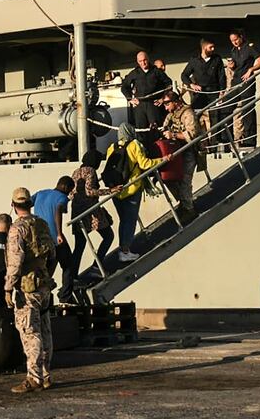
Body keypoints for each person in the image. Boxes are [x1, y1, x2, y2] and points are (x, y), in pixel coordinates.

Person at [4, 187, 56, 393]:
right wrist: (46, 274)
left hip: (26, 288)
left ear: (14, 205)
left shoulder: (17, 229)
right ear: (30, 204)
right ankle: (46, 375)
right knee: (45, 329)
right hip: (43, 284)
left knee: (30, 331)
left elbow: (15, 262)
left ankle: (33, 378)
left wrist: (8, 287)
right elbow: (53, 254)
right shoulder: (42, 224)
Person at [106, 123, 168, 262]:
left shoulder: (112, 147)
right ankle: (125, 250)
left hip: (116, 190)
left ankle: (123, 248)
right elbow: (144, 164)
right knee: (130, 220)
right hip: (132, 188)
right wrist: (162, 160)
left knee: (123, 221)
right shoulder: (135, 144)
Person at [70, 150, 117, 298]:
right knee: (108, 236)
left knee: (79, 246)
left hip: (77, 212)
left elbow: (72, 194)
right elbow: (90, 191)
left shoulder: (75, 172)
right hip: (90, 211)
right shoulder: (90, 171)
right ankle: (97, 266)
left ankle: (72, 277)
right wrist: (109, 191)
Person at [161, 90, 203, 223]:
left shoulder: (187, 113)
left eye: (167, 103)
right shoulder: (171, 115)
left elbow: (192, 135)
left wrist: (173, 135)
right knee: (169, 178)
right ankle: (183, 203)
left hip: (189, 151)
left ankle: (189, 209)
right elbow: (165, 127)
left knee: (185, 180)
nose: (165, 106)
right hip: (176, 152)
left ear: (176, 101)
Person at [32, 176, 75, 302]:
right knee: (68, 266)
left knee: (47, 268)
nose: (69, 193)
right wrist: (59, 233)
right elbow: (58, 210)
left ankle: (42, 295)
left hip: (40, 239)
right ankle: (65, 296)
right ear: (65, 187)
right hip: (55, 239)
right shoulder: (62, 197)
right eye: (70, 190)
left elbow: (27, 202)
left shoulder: (41, 193)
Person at [121, 51, 173, 140]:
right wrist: (130, 99)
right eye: (140, 61)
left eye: (144, 60)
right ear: (137, 62)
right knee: (141, 132)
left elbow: (169, 84)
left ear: (148, 59)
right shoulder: (135, 73)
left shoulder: (156, 71)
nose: (143, 63)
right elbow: (124, 87)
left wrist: (162, 98)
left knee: (156, 130)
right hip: (140, 105)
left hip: (153, 104)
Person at [225, 30, 260, 145]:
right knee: (226, 106)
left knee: (247, 109)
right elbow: (236, 66)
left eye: (236, 39)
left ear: (241, 37)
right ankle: (226, 137)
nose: (235, 42)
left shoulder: (250, 47)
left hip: (247, 81)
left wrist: (251, 70)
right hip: (236, 81)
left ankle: (250, 139)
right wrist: (231, 66)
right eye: (232, 41)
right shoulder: (234, 51)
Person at [180, 38, 226, 136]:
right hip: (199, 94)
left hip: (214, 92)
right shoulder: (194, 60)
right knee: (196, 118)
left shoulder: (217, 59)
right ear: (204, 48)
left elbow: (222, 77)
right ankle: (200, 143)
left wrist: (222, 92)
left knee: (215, 118)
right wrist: (191, 85)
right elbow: (184, 75)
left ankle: (215, 142)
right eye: (210, 47)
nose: (213, 49)